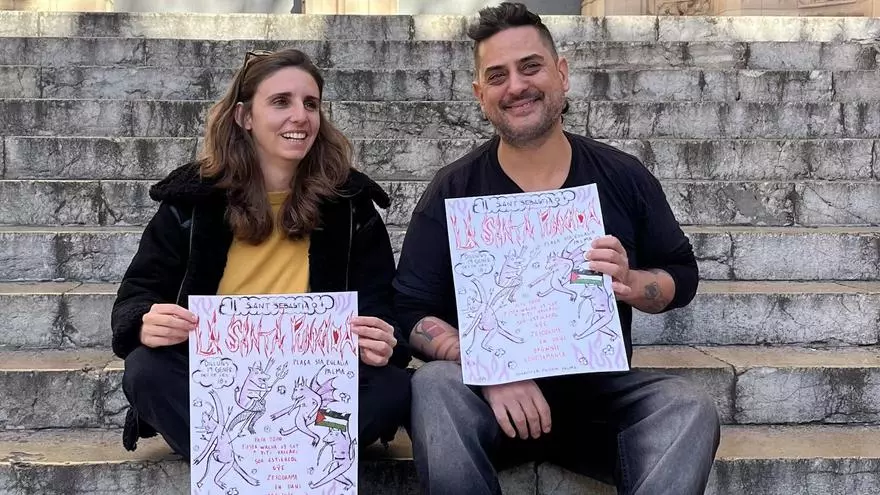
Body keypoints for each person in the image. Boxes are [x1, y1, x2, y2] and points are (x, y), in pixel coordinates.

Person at [392, 3, 720, 494]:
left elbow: (682, 274)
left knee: (689, 406)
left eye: (530, 67)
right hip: (492, 407)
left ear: (561, 74)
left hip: (598, 402)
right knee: (434, 385)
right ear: (481, 95)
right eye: (497, 76)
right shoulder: (453, 189)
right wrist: (492, 368)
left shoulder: (621, 175)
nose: (516, 86)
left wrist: (631, 283)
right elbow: (409, 310)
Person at [111, 48, 411, 459]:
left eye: (311, 104)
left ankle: (260, 456)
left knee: (392, 388)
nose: (300, 116)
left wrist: (381, 338)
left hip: (313, 402)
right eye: (281, 102)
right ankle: (270, 458)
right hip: (218, 394)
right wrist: (145, 323)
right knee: (146, 372)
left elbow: (380, 302)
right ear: (244, 117)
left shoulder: (350, 204)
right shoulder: (191, 202)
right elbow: (138, 293)